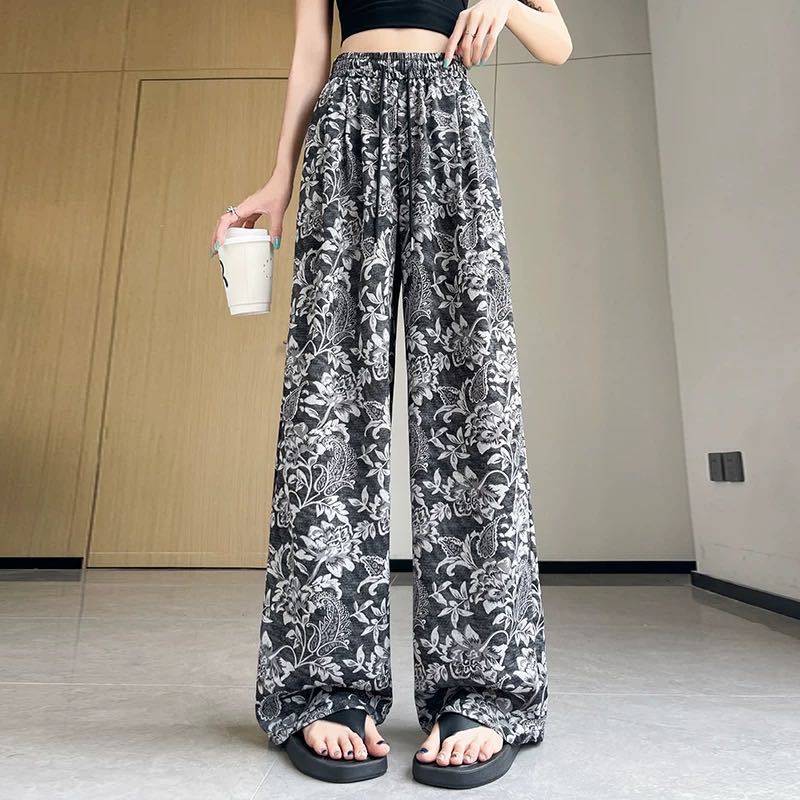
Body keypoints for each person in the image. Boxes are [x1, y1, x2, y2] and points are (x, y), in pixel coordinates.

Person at [211, 0, 572, 789]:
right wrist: (279, 178)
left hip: (449, 119)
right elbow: (311, 49)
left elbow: (558, 43)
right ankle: (326, 682)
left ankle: (483, 690)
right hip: (347, 125)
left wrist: (504, 2)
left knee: (474, 407)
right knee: (327, 404)